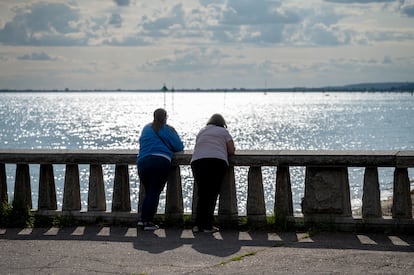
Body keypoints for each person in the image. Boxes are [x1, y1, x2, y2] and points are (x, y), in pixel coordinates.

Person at [137, 108, 184, 230]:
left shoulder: (146, 128)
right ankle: (147, 221)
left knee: (149, 192)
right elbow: (178, 146)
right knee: (154, 192)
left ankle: (142, 220)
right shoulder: (168, 129)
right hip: (160, 161)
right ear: (165, 117)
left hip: (143, 161)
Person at [191, 114, 235, 233]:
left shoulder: (202, 131)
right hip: (216, 162)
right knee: (212, 194)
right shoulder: (223, 131)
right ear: (222, 123)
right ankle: (207, 225)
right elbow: (231, 150)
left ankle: (197, 225)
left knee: (202, 194)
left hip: (197, 162)